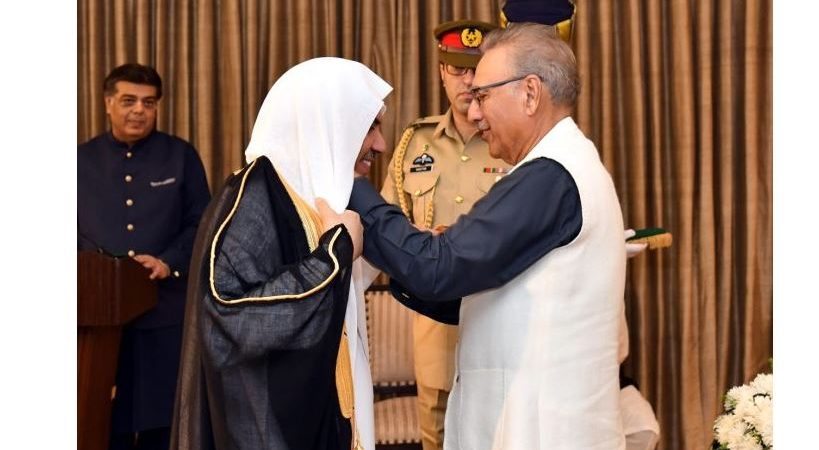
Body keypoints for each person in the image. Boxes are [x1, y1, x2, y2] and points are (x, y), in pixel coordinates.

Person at [347, 23, 626, 449]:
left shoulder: (551, 176)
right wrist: (417, 261)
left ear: (530, 93)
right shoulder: (557, 166)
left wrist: (351, 186)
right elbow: (477, 289)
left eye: (483, 96)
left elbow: (440, 269)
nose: (474, 114)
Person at [170, 57, 392, 450]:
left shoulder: (319, 194)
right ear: (327, 122)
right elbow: (231, 315)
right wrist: (335, 253)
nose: (381, 144)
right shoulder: (250, 199)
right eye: (370, 126)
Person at [378, 19, 506, 450]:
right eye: (457, 70)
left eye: (476, 70)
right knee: (437, 435)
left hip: (497, 315)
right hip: (434, 324)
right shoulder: (415, 143)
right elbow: (387, 226)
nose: (468, 81)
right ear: (441, 72)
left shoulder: (512, 141)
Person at [77, 63, 211, 450]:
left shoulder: (181, 156)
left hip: (165, 313)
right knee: (101, 423)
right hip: (97, 322)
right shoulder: (79, 162)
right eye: (128, 100)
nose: (139, 110)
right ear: (107, 103)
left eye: (149, 103)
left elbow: (201, 224)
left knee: (163, 425)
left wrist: (168, 261)